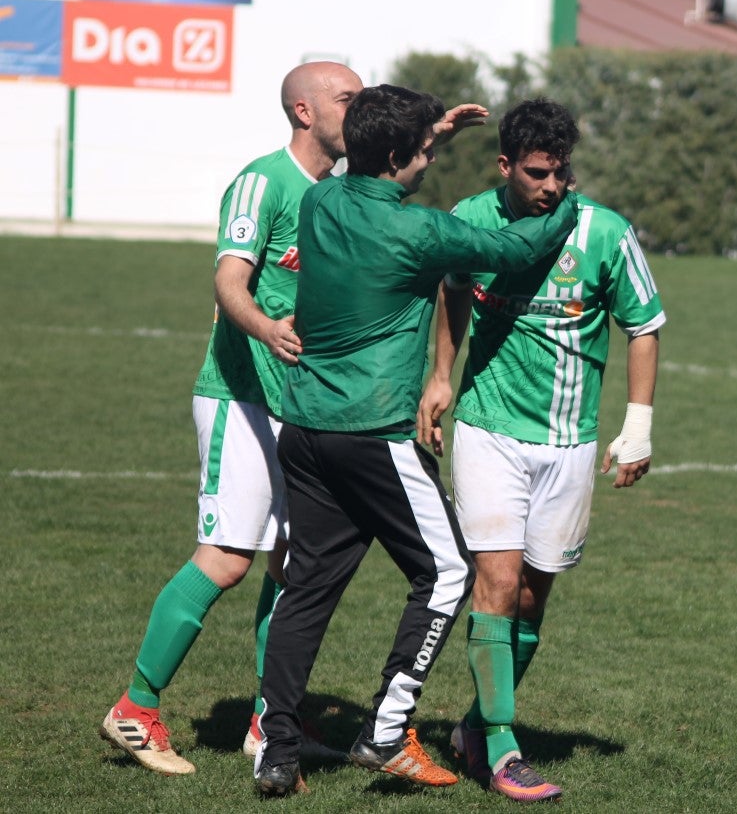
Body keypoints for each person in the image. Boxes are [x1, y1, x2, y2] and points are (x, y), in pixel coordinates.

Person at [252, 84, 580, 797]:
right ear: (399, 155)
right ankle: (385, 732)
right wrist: (570, 203)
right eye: (427, 150)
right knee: (449, 574)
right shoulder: (419, 231)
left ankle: (276, 750)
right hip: (370, 432)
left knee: (307, 588)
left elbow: (370, 164)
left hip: (303, 427)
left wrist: (424, 130)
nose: (433, 158)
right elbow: (515, 248)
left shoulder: (321, 202)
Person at [99, 60, 363, 776]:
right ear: (305, 111)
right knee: (226, 558)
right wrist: (265, 328)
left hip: (297, 404)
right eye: (348, 98)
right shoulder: (262, 181)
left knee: (294, 563)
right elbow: (228, 279)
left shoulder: (339, 193)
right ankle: (136, 708)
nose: (360, 109)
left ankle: (267, 724)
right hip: (239, 397)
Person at [417, 97, 664, 803]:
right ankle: (501, 749)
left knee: (531, 596)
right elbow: (454, 289)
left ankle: (473, 726)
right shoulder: (472, 219)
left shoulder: (605, 232)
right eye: (535, 173)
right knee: (494, 585)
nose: (551, 186)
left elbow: (643, 325)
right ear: (505, 166)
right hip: (490, 432)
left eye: (559, 173)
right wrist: (442, 375)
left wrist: (637, 424)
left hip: (570, 442)